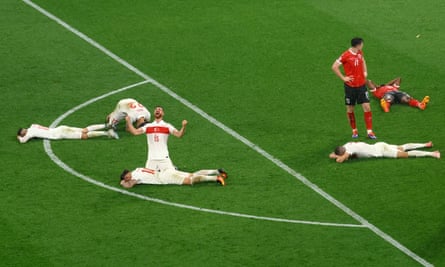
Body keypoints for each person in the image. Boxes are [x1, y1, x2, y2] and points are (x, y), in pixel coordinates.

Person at [332, 37, 376, 139]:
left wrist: (365, 71)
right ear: (358, 45)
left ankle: (370, 132)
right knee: (350, 109)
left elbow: (363, 61)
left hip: (361, 86)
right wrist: (344, 78)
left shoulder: (360, 52)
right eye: (362, 44)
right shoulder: (346, 55)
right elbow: (334, 66)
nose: (362, 46)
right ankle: (354, 130)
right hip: (350, 87)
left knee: (367, 107)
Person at [125, 106, 187, 171]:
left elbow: (179, 135)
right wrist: (129, 122)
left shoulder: (167, 126)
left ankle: (171, 168)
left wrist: (184, 126)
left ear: (163, 114)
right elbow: (135, 132)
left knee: (170, 175)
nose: (157, 110)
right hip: (151, 158)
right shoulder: (148, 126)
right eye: (156, 109)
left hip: (164, 158)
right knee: (147, 177)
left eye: (160, 110)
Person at [329, 141, 440, 163]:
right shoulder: (347, 144)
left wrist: (339, 156)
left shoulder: (348, 149)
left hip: (382, 151)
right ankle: (426, 144)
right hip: (379, 144)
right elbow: (332, 155)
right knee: (402, 147)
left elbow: (339, 160)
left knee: (405, 154)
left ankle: (432, 153)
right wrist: (335, 155)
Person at [120, 167, 228, 188]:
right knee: (192, 175)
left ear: (129, 173)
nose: (128, 179)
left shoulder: (135, 176)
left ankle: (216, 178)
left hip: (165, 178)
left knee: (190, 181)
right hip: (167, 171)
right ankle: (217, 171)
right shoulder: (137, 169)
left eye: (127, 177)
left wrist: (122, 183)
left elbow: (129, 186)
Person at [17, 123, 119, 143]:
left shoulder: (29, 134)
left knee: (84, 136)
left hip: (60, 134)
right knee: (84, 130)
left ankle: (107, 133)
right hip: (60, 128)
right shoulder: (33, 126)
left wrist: (19, 137)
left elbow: (22, 141)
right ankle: (107, 125)